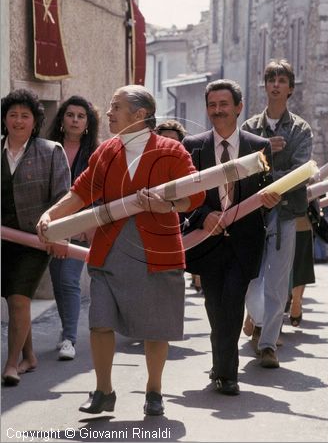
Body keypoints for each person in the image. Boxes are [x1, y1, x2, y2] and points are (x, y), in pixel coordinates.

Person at [36, 85, 205, 415]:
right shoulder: (105, 152)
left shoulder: (171, 150)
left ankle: (154, 391)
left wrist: (166, 204)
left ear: (139, 115)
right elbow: (80, 192)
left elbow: (195, 195)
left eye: (116, 107)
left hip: (157, 252)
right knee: (99, 320)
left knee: (157, 325)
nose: (109, 112)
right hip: (109, 250)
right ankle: (103, 390)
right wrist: (50, 215)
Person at [182, 79, 280, 395]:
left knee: (232, 300)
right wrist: (202, 216)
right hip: (207, 242)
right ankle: (221, 363)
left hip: (244, 242)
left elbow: (267, 192)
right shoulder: (192, 146)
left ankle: (228, 374)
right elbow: (184, 198)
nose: (218, 111)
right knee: (214, 305)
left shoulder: (259, 147)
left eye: (224, 105)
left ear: (238, 107)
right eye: (212, 105)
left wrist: (269, 203)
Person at [242, 59, 313, 368]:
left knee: (277, 282)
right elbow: (241, 170)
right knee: (250, 279)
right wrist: (266, 151)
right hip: (252, 213)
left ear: (290, 89)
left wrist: (268, 178)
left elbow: (301, 172)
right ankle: (255, 320)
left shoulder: (300, 129)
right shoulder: (250, 128)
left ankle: (269, 344)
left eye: (281, 80)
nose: (275, 84)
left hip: (284, 212)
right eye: (271, 79)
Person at [1, 88, 70, 386]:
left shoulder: (51, 150)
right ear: (4, 119)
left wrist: (59, 234)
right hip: (2, 239)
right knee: (16, 299)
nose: (18, 121)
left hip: (34, 240)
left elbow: (62, 197)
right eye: (12, 115)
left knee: (18, 297)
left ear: (34, 121)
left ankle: (11, 364)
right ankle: (29, 356)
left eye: (24, 116)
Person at [47, 96, 100, 360]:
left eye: (81, 116)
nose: (75, 120)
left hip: (79, 228)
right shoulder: (46, 149)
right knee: (57, 280)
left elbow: (99, 195)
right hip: (47, 226)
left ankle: (69, 338)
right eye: (70, 115)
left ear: (88, 123)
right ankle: (66, 327)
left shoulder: (95, 155)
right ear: (62, 119)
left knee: (68, 280)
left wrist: (85, 227)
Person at [155, 119, 202, 292]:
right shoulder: (147, 168)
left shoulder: (186, 170)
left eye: (173, 140)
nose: (168, 144)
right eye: (164, 138)